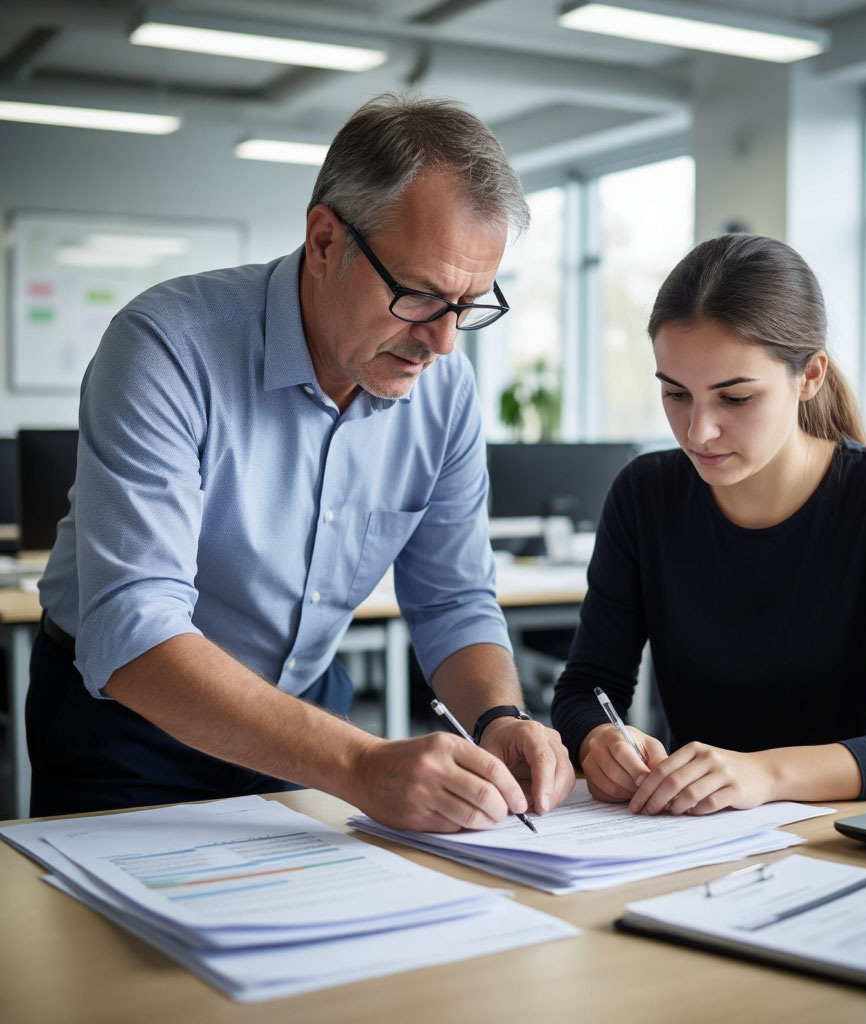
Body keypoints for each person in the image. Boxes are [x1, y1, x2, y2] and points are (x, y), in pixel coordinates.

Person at [28, 93, 574, 828]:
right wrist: (359, 764)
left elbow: (451, 599)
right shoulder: (166, 347)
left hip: (309, 709)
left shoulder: (444, 390)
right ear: (324, 243)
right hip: (131, 721)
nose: (444, 343)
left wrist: (499, 719)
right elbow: (134, 626)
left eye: (471, 305)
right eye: (420, 296)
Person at [551, 233, 866, 817]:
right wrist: (599, 738)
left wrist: (763, 773)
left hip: (841, 838)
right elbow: (587, 689)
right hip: (692, 840)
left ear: (809, 377)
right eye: (676, 394)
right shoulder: (644, 493)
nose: (697, 431)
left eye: (734, 398)